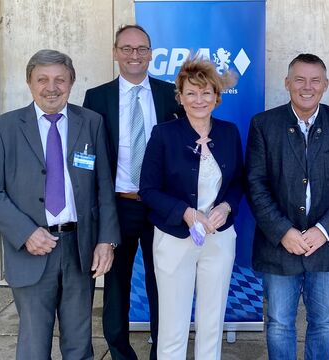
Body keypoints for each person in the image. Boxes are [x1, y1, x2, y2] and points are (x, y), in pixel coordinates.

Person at [0, 49, 119, 359]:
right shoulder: (4, 128)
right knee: (33, 345)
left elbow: (104, 187)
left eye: (60, 80)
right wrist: (26, 232)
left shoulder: (91, 123)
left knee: (80, 343)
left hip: (79, 249)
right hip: (31, 249)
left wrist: (106, 240)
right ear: (29, 82)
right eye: (42, 79)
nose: (51, 87)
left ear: (72, 83)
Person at [246, 53, 329, 360]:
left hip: (326, 245)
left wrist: (323, 230)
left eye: (314, 80)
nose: (307, 87)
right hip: (278, 245)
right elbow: (255, 184)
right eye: (299, 79)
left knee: (323, 322)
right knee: (279, 323)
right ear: (287, 83)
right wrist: (283, 231)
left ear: (325, 85)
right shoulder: (263, 125)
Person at [83, 24, 182, 359]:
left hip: (161, 206)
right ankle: (121, 353)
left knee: (163, 285)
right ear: (115, 53)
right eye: (126, 48)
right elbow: (91, 157)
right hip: (118, 206)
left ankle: (162, 351)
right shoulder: (97, 98)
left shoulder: (172, 94)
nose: (134, 55)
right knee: (116, 286)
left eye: (141, 49)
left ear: (151, 54)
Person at [139, 57, 243, 360]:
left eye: (206, 92)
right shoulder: (164, 134)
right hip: (174, 239)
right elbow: (148, 190)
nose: (199, 100)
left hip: (219, 238)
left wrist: (225, 207)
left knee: (213, 321)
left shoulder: (229, 132)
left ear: (217, 97)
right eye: (191, 93)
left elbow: (239, 182)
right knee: (173, 324)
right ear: (180, 97)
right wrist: (186, 213)